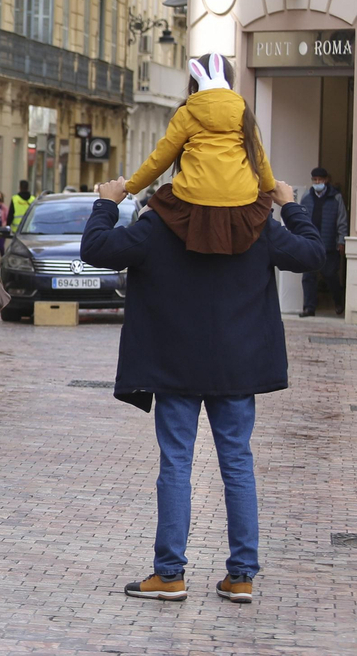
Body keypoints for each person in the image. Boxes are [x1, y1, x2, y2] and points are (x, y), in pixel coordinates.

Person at [82, 174, 322, 605]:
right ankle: (242, 576)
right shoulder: (256, 221)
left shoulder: (161, 221)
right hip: (237, 366)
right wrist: (289, 205)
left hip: (175, 366)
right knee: (237, 464)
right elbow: (311, 253)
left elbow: (97, 249)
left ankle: (170, 574)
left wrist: (108, 202)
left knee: (176, 464)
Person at [125, 53, 276, 256]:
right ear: (229, 80)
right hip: (240, 200)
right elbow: (258, 156)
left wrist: (130, 187)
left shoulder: (186, 113)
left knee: (148, 215)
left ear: (195, 79)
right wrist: (269, 188)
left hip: (192, 200)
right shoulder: (243, 110)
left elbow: (160, 159)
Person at [298, 167, 347, 317]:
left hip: (328, 243)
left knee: (330, 275)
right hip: (310, 243)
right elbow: (300, 219)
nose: (317, 182)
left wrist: (341, 241)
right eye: (315, 180)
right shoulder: (306, 197)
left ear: (326, 180)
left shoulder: (336, 197)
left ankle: (339, 302)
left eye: (320, 180)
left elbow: (342, 221)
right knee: (308, 277)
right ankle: (309, 308)